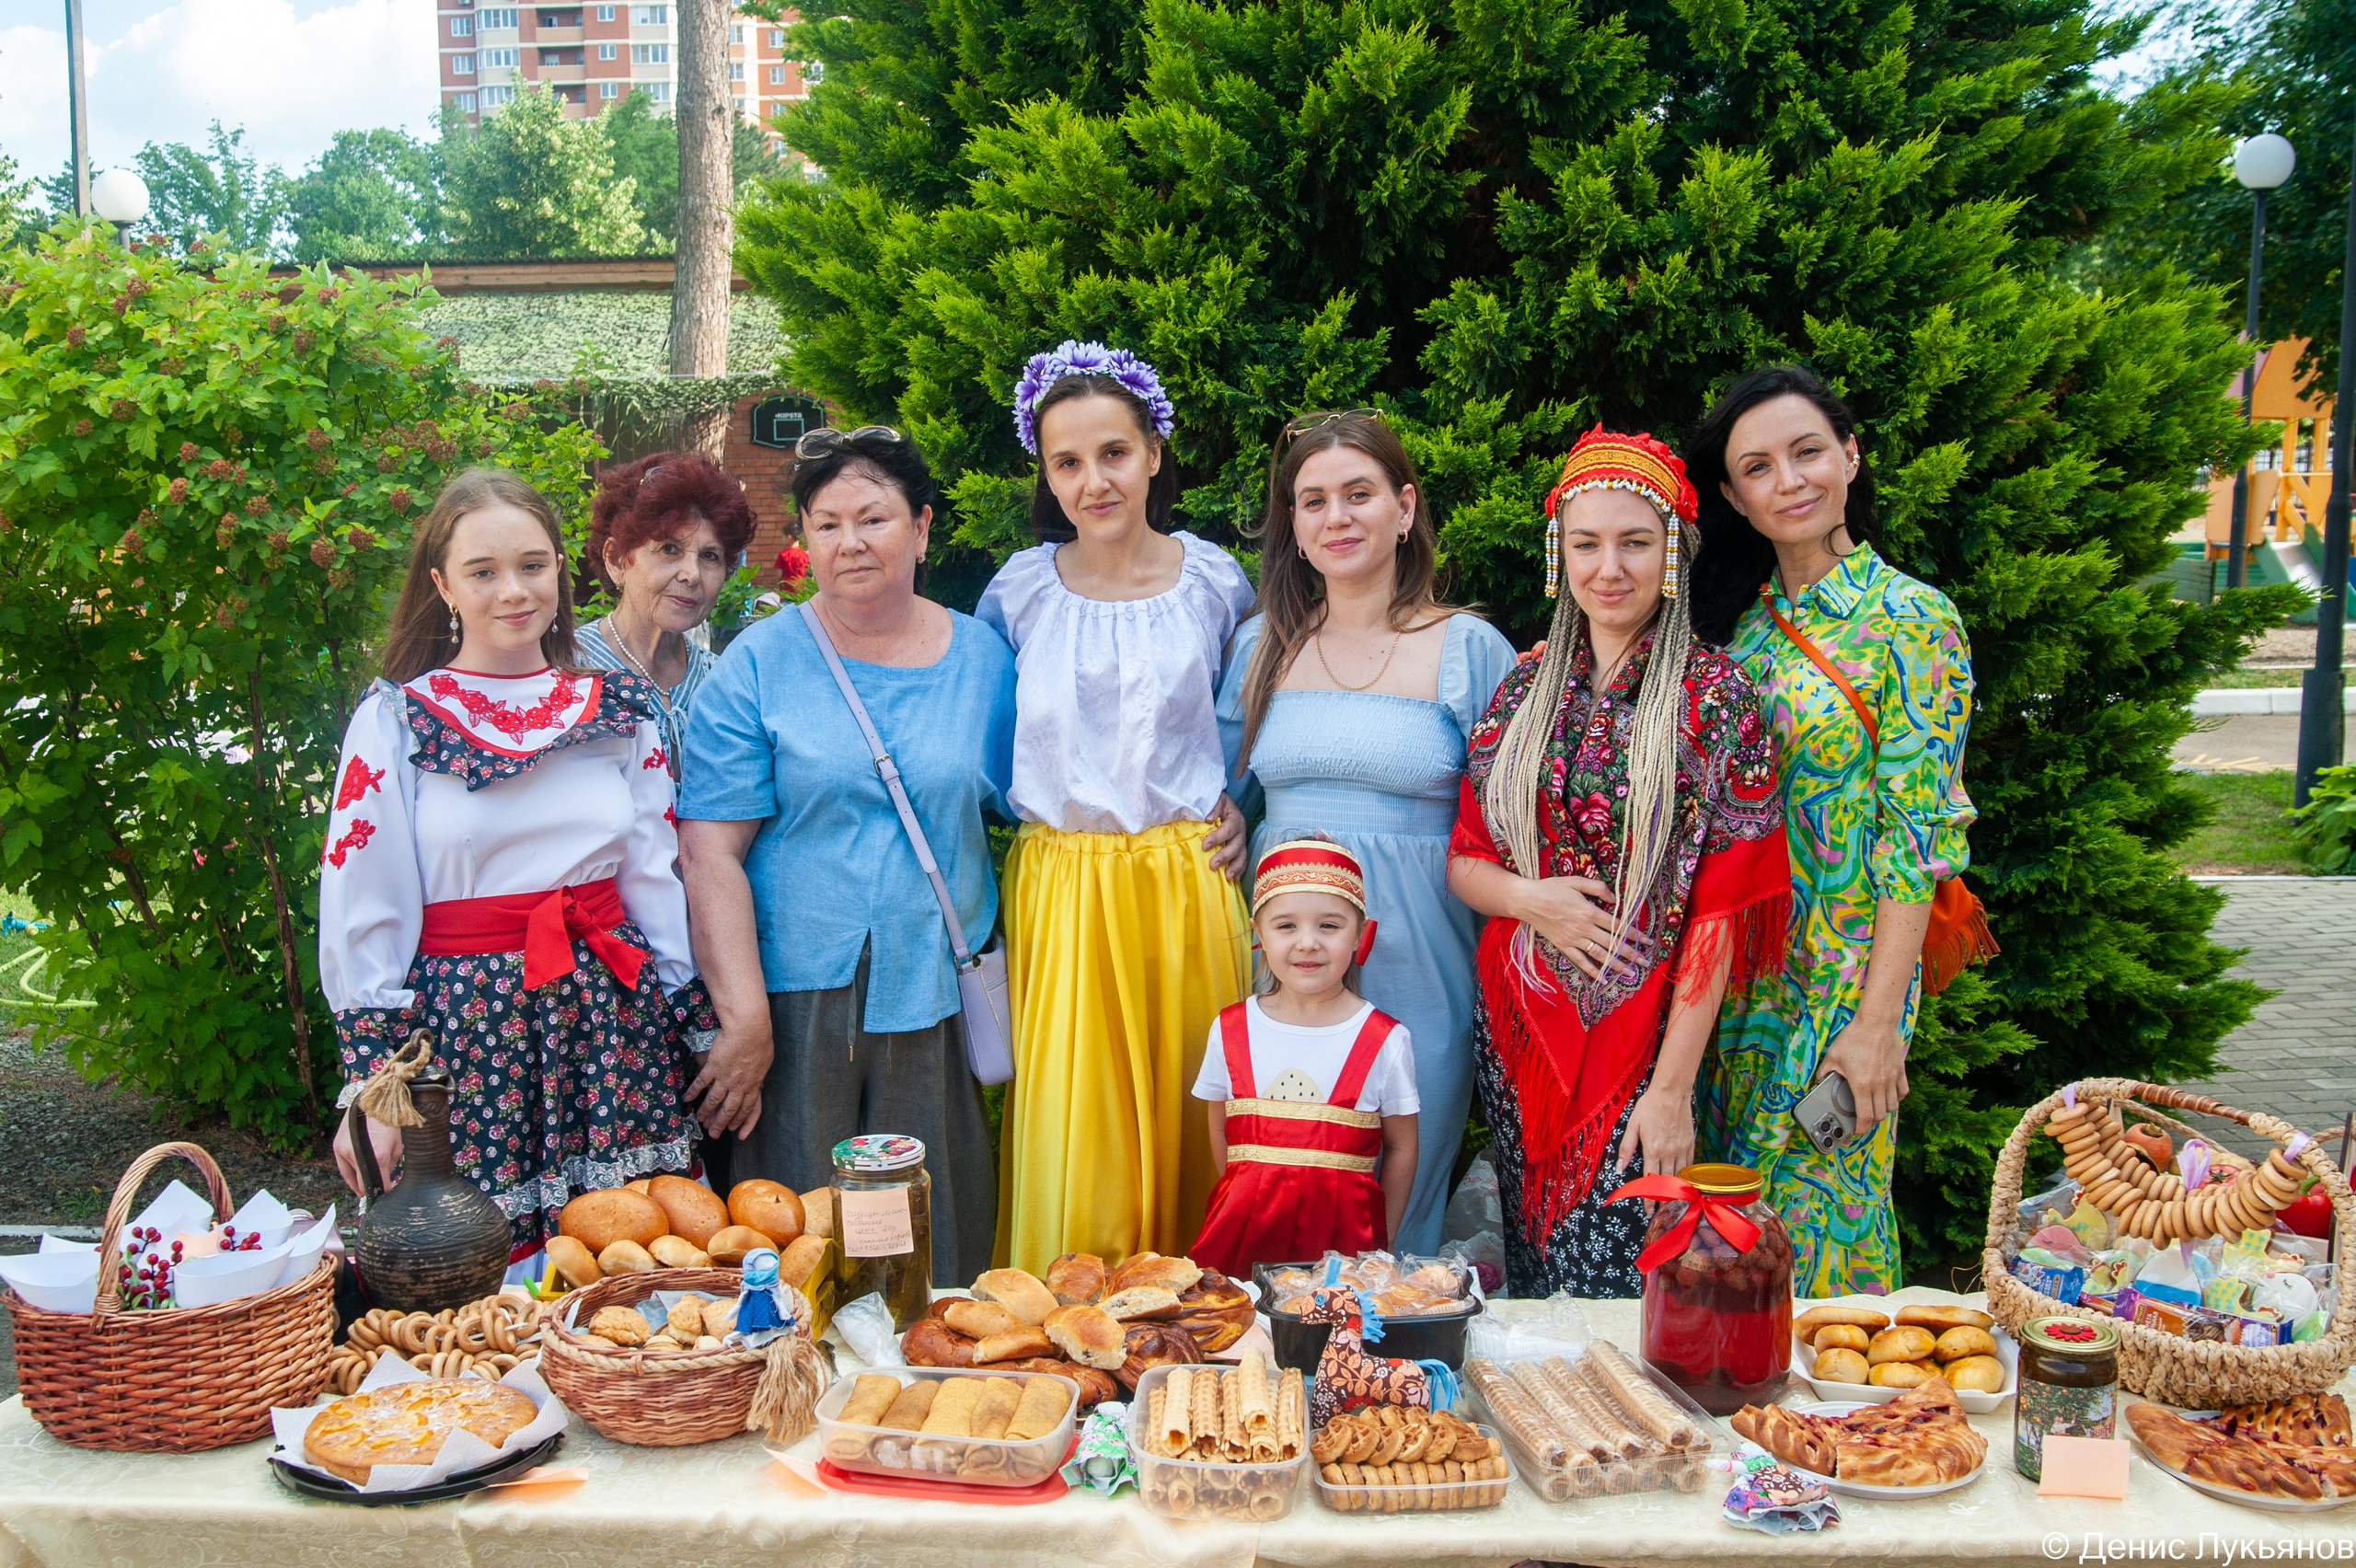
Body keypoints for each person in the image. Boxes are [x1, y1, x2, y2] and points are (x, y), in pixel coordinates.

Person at [320, 468, 715, 1273]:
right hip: (466, 1040)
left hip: (613, 1025)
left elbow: (652, 878)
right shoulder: (396, 721)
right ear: (442, 586)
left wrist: (699, 1025)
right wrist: (375, 1089)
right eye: (483, 571)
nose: (514, 591)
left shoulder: (618, 711)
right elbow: (365, 903)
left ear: (562, 570)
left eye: (534, 565)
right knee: (472, 1296)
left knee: (629, 1276)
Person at [1446, 428, 1789, 1298]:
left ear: (1672, 552)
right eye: (1587, 543)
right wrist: (1533, 900)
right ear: (1560, 553)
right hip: (1518, 1027)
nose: (1610, 568)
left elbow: (1722, 913)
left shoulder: (1717, 699)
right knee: (1532, 1277)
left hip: (1643, 1041)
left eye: (1635, 543)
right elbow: (1465, 863)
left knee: (1616, 1285)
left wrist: (1671, 1091)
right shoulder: (1523, 688)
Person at [676, 427, 1014, 1285]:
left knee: (929, 1236)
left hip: (934, 989)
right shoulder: (758, 663)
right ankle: (793, 1403)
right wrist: (744, 1019)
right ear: (804, 539)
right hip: (794, 1003)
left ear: (924, 529)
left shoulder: (986, 660)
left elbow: (1046, 802)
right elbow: (710, 851)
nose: (850, 542)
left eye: (874, 518)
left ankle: (930, 1396)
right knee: (794, 1231)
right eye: (826, 524)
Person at [1687, 365, 1979, 1297]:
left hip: (1846, 981)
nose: (1790, 480)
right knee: (1736, 1218)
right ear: (1733, 496)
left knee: (1823, 1202)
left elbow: (1917, 837)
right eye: (1759, 467)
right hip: (1745, 984)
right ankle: (1745, 1421)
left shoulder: (1913, 620)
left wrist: (1876, 1026)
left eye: (1808, 451)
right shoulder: (1747, 636)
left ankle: (1842, 1430)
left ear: (1849, 456)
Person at [977, 340, 1256, 1273]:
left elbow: (1249, 716)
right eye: (1067, 461)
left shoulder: (1215, 582)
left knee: (1195, 1110)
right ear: (1045, 473)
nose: (1093, 480)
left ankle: (1200, 1333)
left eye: (1113, 453)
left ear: (1154, 453)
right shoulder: (1017, 592)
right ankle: (1071, 1337)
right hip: (1061, 885)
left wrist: (1244, 806)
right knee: (1076, 1126)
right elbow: (982, 742)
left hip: (1187, 881)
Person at [1216, 410, 1515, 1254]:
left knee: (1399, 1198)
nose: (1336, 517)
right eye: (1313, 501)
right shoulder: (1259, 648)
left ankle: (1399, 1372)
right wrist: (1234, 821)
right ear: (1294, 527)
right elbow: (1220, 793)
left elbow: (1509, 825)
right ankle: (1288, 1377)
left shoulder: (1469, 648)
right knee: (1283, 1177)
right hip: (1288, 960)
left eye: (1359, 494)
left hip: (1422, 960)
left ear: (1405, 507)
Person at [1189, 838, 1420, 1279]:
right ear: (1259, 933)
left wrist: (1379, 1246)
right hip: (1239, 1246)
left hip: (1344, 1258)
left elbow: (1402, 1148)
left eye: (1329, 926)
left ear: (1360, 934)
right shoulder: (1230, 1029)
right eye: (1286, 926)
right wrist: (1246, 1195)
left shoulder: (1386, 1039)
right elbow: (1221, 1131)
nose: (1308, 943)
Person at [573, 452, 756, 772]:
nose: (692, 574)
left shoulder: (723, 682)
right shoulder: (569, 671)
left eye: (710, 556)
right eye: (669, 549)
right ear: (616, 560)